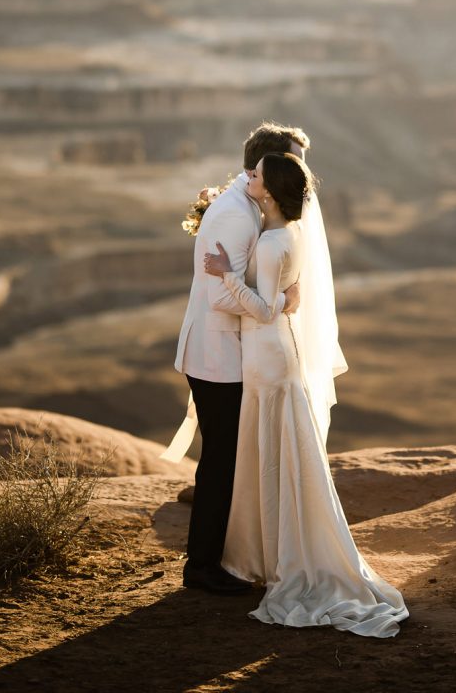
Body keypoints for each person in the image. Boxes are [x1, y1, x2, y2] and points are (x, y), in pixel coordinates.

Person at [204, 153, 409, 637]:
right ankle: (271, 548)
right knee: (277, 453)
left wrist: (224, 273)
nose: (247, 178)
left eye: (254, 175)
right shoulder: (288, 232)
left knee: (275, 455)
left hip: (269, 357)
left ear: (270, 191)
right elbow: (280, 301)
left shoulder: (274, 242)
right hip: (274, 355)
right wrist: (280, 299)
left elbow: (263, 309)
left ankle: (283, 556)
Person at [168, 123, 308, 596]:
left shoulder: (253, 211)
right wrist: (274, 300)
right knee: (221, 461)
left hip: (231, 352)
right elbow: (219, 298)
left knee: (229, 458)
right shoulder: (236, 216)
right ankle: (202, 567)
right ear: (265, 169)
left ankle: (223, 556)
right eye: (290, 162)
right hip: (217, 353)